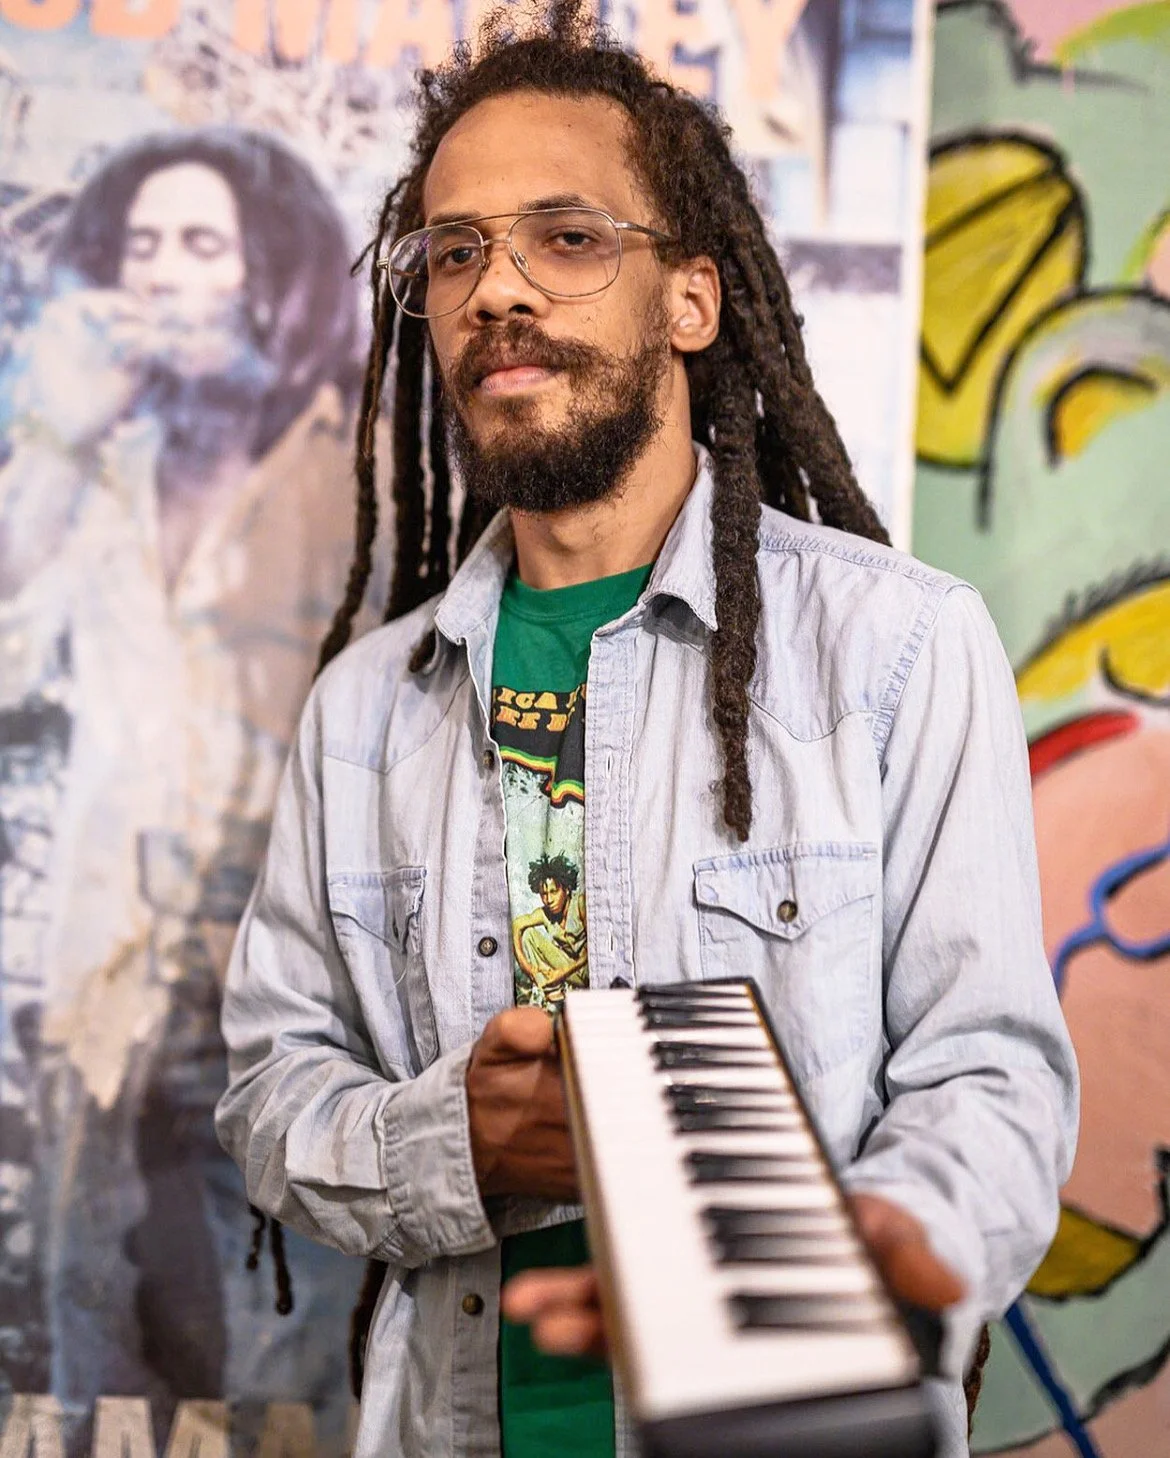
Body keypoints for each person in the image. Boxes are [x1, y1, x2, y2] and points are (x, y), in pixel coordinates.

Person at [215, 6, 1079, 1457]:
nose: (496, 288)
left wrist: (856, 1259)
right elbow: (270, 1090)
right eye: (454, 251)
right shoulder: (366, 707)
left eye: (565, 238)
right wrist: (455, 1145)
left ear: (689, 300)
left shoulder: (896, 648)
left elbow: (989, 1076)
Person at [0, 128, 373, 1450]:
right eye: (140, 246)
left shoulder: (360, 470)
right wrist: (61, 431)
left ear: (271, 274)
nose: (161, 274)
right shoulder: (96, 462)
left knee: (283, 1369)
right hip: (105, 994)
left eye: (201, 243)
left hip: (286, 1007)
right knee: (91, 1348)